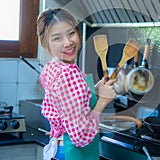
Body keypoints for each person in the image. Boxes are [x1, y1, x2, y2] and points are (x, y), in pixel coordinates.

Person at [37, 8, 116, 160]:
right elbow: (80, 137)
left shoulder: (54, 66)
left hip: (59, 149)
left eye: (71, 33)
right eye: (57, 38)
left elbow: (70, 104)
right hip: (74, 153)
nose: (68, 43)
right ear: (46, 44)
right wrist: (102, 102)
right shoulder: (68, 74)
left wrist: (94, 89)